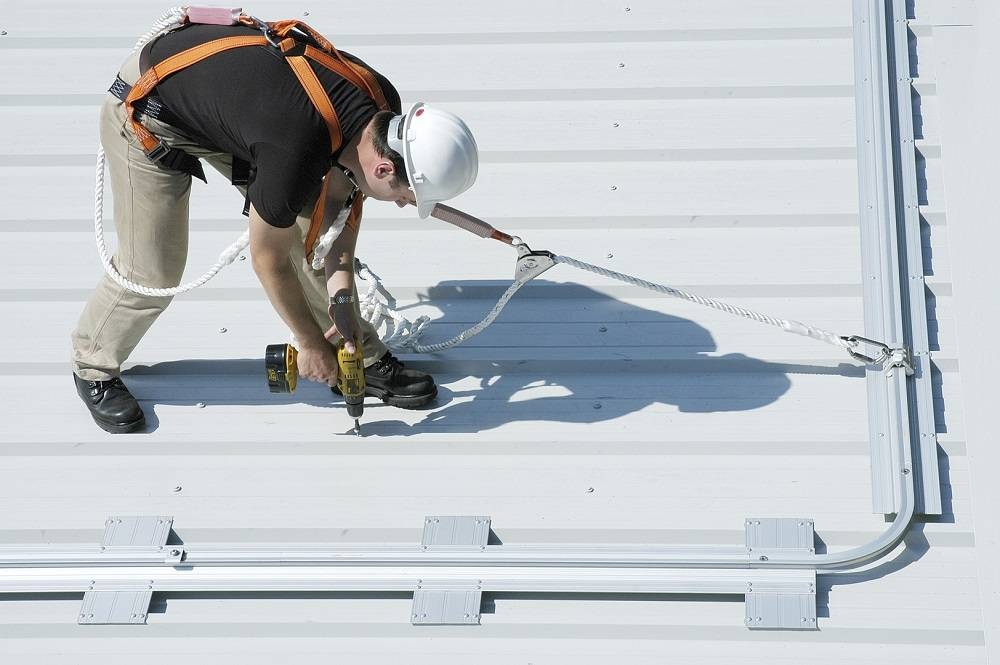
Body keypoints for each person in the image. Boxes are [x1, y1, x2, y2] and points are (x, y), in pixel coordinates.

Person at [70, 17, 479, 433]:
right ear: (385, 166)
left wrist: (340, 300)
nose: (402, 205)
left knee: (310, 224)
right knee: (154, 267)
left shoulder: (378, 107)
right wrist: (308, 343)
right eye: (405, 197)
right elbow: (269, 260)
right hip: (152, 106)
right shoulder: (295, 152)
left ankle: (358, 354)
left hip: (230, 101)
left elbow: (335, 216)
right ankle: (92, 365)